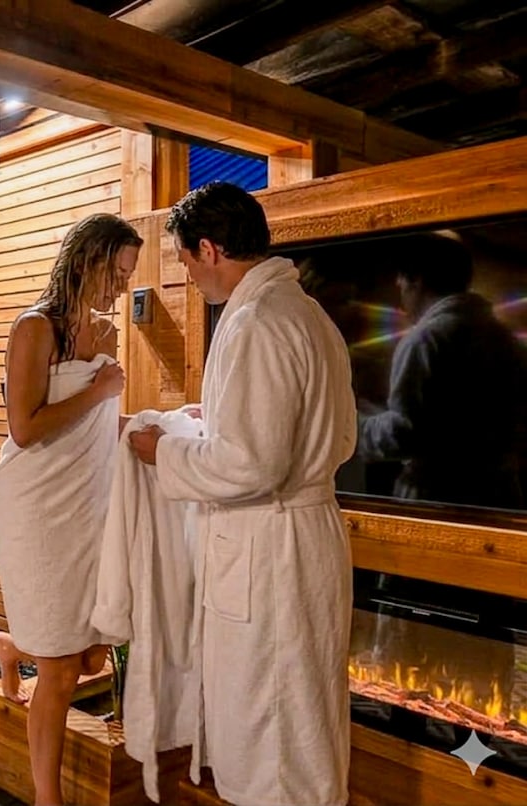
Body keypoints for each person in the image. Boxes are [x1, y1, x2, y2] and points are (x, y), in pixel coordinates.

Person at [127, 181, 356, 806]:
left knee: (271, 731)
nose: (188, 274)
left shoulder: (257, 321)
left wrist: (164, 451)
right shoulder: (308, 314)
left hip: (269, 548)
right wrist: (217, 419)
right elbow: (327, 433)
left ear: (209, 249)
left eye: (184, 259)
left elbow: (252, 463)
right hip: (306, 536)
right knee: (303, 719)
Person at [0, 212, 141, 806]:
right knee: (60, 670)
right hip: (36, 505)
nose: (122, 287)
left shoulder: (105, 333)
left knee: (90, 652)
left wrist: (166, 429)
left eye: (128, 276)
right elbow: (24, 429)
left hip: (86, 501)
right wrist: (99, 390)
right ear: (86, 262)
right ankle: (48, 799)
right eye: (117, 273)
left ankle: (10, 646)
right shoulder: (34, 329)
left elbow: (98, 425)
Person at [357, 232, 527, 509]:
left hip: (440, 497)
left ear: (416, 280)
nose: (398, 285)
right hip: (500, 495)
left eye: (402, 277)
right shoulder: (503, 336)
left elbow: (406, 434)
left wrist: (354, 425)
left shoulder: (425, 340)